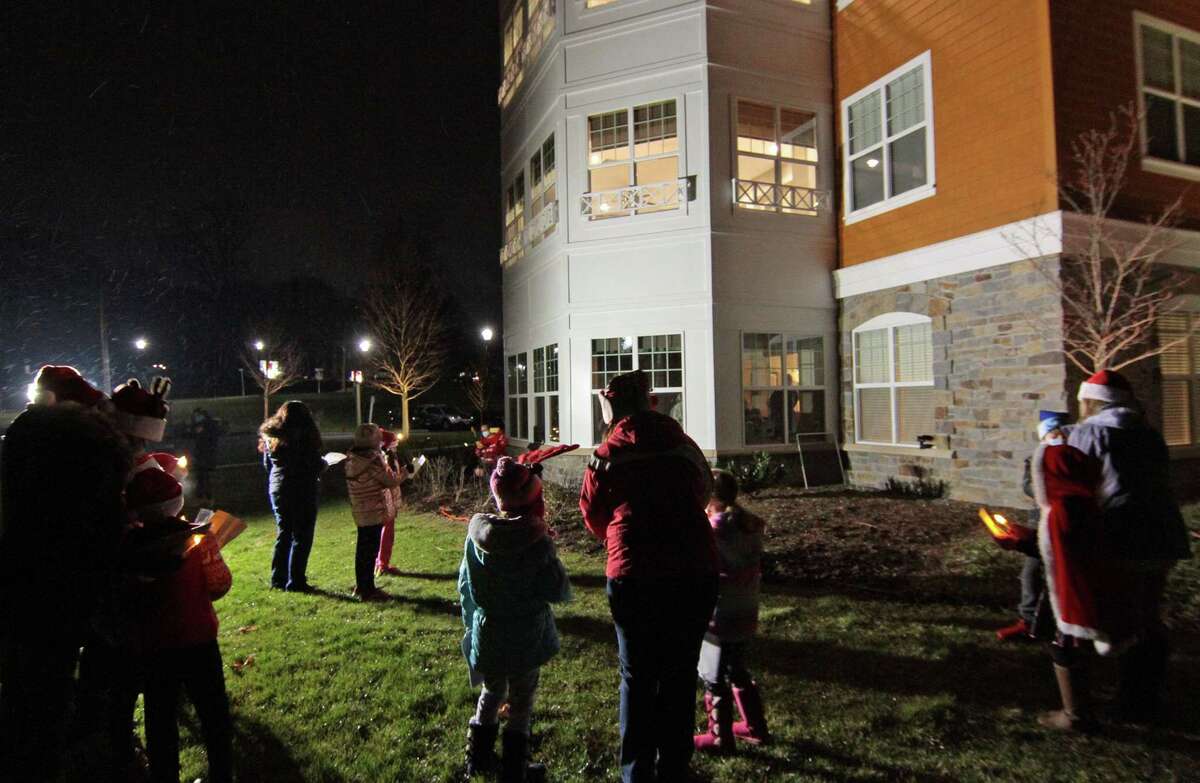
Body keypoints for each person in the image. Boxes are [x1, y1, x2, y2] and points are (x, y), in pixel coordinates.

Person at [579, 370, 717, 783]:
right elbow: (703, 490)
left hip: (634, 575)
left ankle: (636, 773)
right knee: (679, 673)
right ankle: (674, 767)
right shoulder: (684, 446)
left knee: (637, 678)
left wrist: (620, 538)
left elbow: (592, 514)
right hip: (693, 570)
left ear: (612, 410)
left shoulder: (605, 454)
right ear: (651, 403)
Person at [0, 366, 132, 782]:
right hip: (69, 590)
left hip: (25, 583)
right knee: (55, 690)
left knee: (27, 689)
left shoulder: (24, 444)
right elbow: (106, 528)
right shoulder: (91, 451)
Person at [1067, 369, 1191, 721]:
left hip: (1122, 533)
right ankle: (1147, 691)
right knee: (1148, 611)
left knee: (1120, 614)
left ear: (1090, 401)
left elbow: (1073, 481)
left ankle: (1129, 699)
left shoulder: (1088, 434)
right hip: (1162, 533)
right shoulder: (1148, 434)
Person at [460, 449, 573, 783]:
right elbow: (557, 589)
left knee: (492, 692)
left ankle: (477, 758)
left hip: (489, 630)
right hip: (526, 635)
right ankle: (515, 768)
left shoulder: (477, 538)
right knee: (522, 700)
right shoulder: (536, 543)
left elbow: (465, 582)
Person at [123, 467, 234, 782]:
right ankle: (222, 773)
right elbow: (219, 584)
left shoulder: (127, 546)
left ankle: (165, 774)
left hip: (153, 644)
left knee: (160, 716)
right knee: (213, 712)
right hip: (198, 637)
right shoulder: (198, 538)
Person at [1031, 438, 1137, 731]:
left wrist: (1021, 541)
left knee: (1065, 642)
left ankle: (1075, 714)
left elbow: (1060, 554)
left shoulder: (1065, 511)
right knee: (1081, 643)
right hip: (1086, 588)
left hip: (1071, 593)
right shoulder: (1086, 504)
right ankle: (1096, 701)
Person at [694, 469, 769, 754]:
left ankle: (719, 736)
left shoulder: (713, 530)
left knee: (713, 675)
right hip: (746, 610)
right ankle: (754, 725)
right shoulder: (747, 525)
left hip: (719, 613)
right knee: (738, 668)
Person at [996, 411, 1067, 642]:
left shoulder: (1074, 456)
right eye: (1051, 433)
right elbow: (1029, 486)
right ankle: (1028, 622)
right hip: (1040, 527)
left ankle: (1062, 624)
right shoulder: (1036, 458)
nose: (1055, 437)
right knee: (1031, 573)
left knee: (1064, 576)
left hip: (1067, 524)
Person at [261, 400, 325, 592]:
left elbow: (268, 464)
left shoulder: (273, 437)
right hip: (301, 488)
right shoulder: (304, 436)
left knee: (284, 532)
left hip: (278, 488)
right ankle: (296, 580)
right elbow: (311, 463)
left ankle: (278, 578)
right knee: (302, 535)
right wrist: (323, 465)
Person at [345, 423, 404, 601]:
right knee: (369, 550)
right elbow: (390, 481)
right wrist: (406, 474)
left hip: (360, 508)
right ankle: (368, 589)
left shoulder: (352, 458)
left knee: (362, 549)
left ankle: (362, 585)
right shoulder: (373, 460)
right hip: (374, 509)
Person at [376, 427, 410, 577]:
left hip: (390, 498)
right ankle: (382, 563)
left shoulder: (390, 456)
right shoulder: (384, 458)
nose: (396, 446)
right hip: (386, 500)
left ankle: (382, 562)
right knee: (386, 533)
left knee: (387, 532)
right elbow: (391, 480)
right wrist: (404, 473)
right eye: (394, 443)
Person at [189, 407, 224, 503]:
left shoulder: (208, 426)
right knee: (202, 477)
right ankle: (204, 497)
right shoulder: (207, 425)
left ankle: (206, 498)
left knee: (205, 477)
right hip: (203, 455)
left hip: (206, 455)